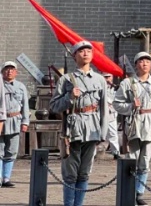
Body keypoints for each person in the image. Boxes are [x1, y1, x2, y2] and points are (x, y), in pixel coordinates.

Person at [49, 41, 108, 206]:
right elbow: (54, 106)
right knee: (70, 174)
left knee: (84, 174)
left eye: (89, 50)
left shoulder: (100, 80)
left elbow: (104, 109)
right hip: (72, 130)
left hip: (93, 129)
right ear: (74, 55)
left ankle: (79, 204)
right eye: (81, 51)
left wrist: (103, 133)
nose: (86, 53)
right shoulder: (66, 80)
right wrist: (70, 98)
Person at [114, 52, 151, 205]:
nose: (144, 64)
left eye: (147, 61)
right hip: (134, 125)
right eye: (141, 61)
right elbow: (116, 104)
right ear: (136, 64)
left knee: (144, 162)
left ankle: (139, 193)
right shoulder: (127, 83)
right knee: (131, 160)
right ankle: (129, 190)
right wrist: (130, 106)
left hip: (150, 125)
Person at [0, 61, 27, 187]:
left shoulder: (21, 87)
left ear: (16, 72)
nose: (9, 71)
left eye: (12, 69)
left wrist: (25, 122)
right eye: (6, 69)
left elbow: (25, 106)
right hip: (1, 122)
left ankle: (6, 178)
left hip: (15, 121)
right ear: (2, 71)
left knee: (11, 151)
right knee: (0, 150)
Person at [101, 73, 120, 159]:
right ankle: (92, 153)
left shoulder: (116, 88)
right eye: (105, 77)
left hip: (111, 113)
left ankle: (116, 152)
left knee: (113, 134)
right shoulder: (99, 88)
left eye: (109, 77)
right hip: (100, 114)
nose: (107, 79)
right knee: (96, 134)